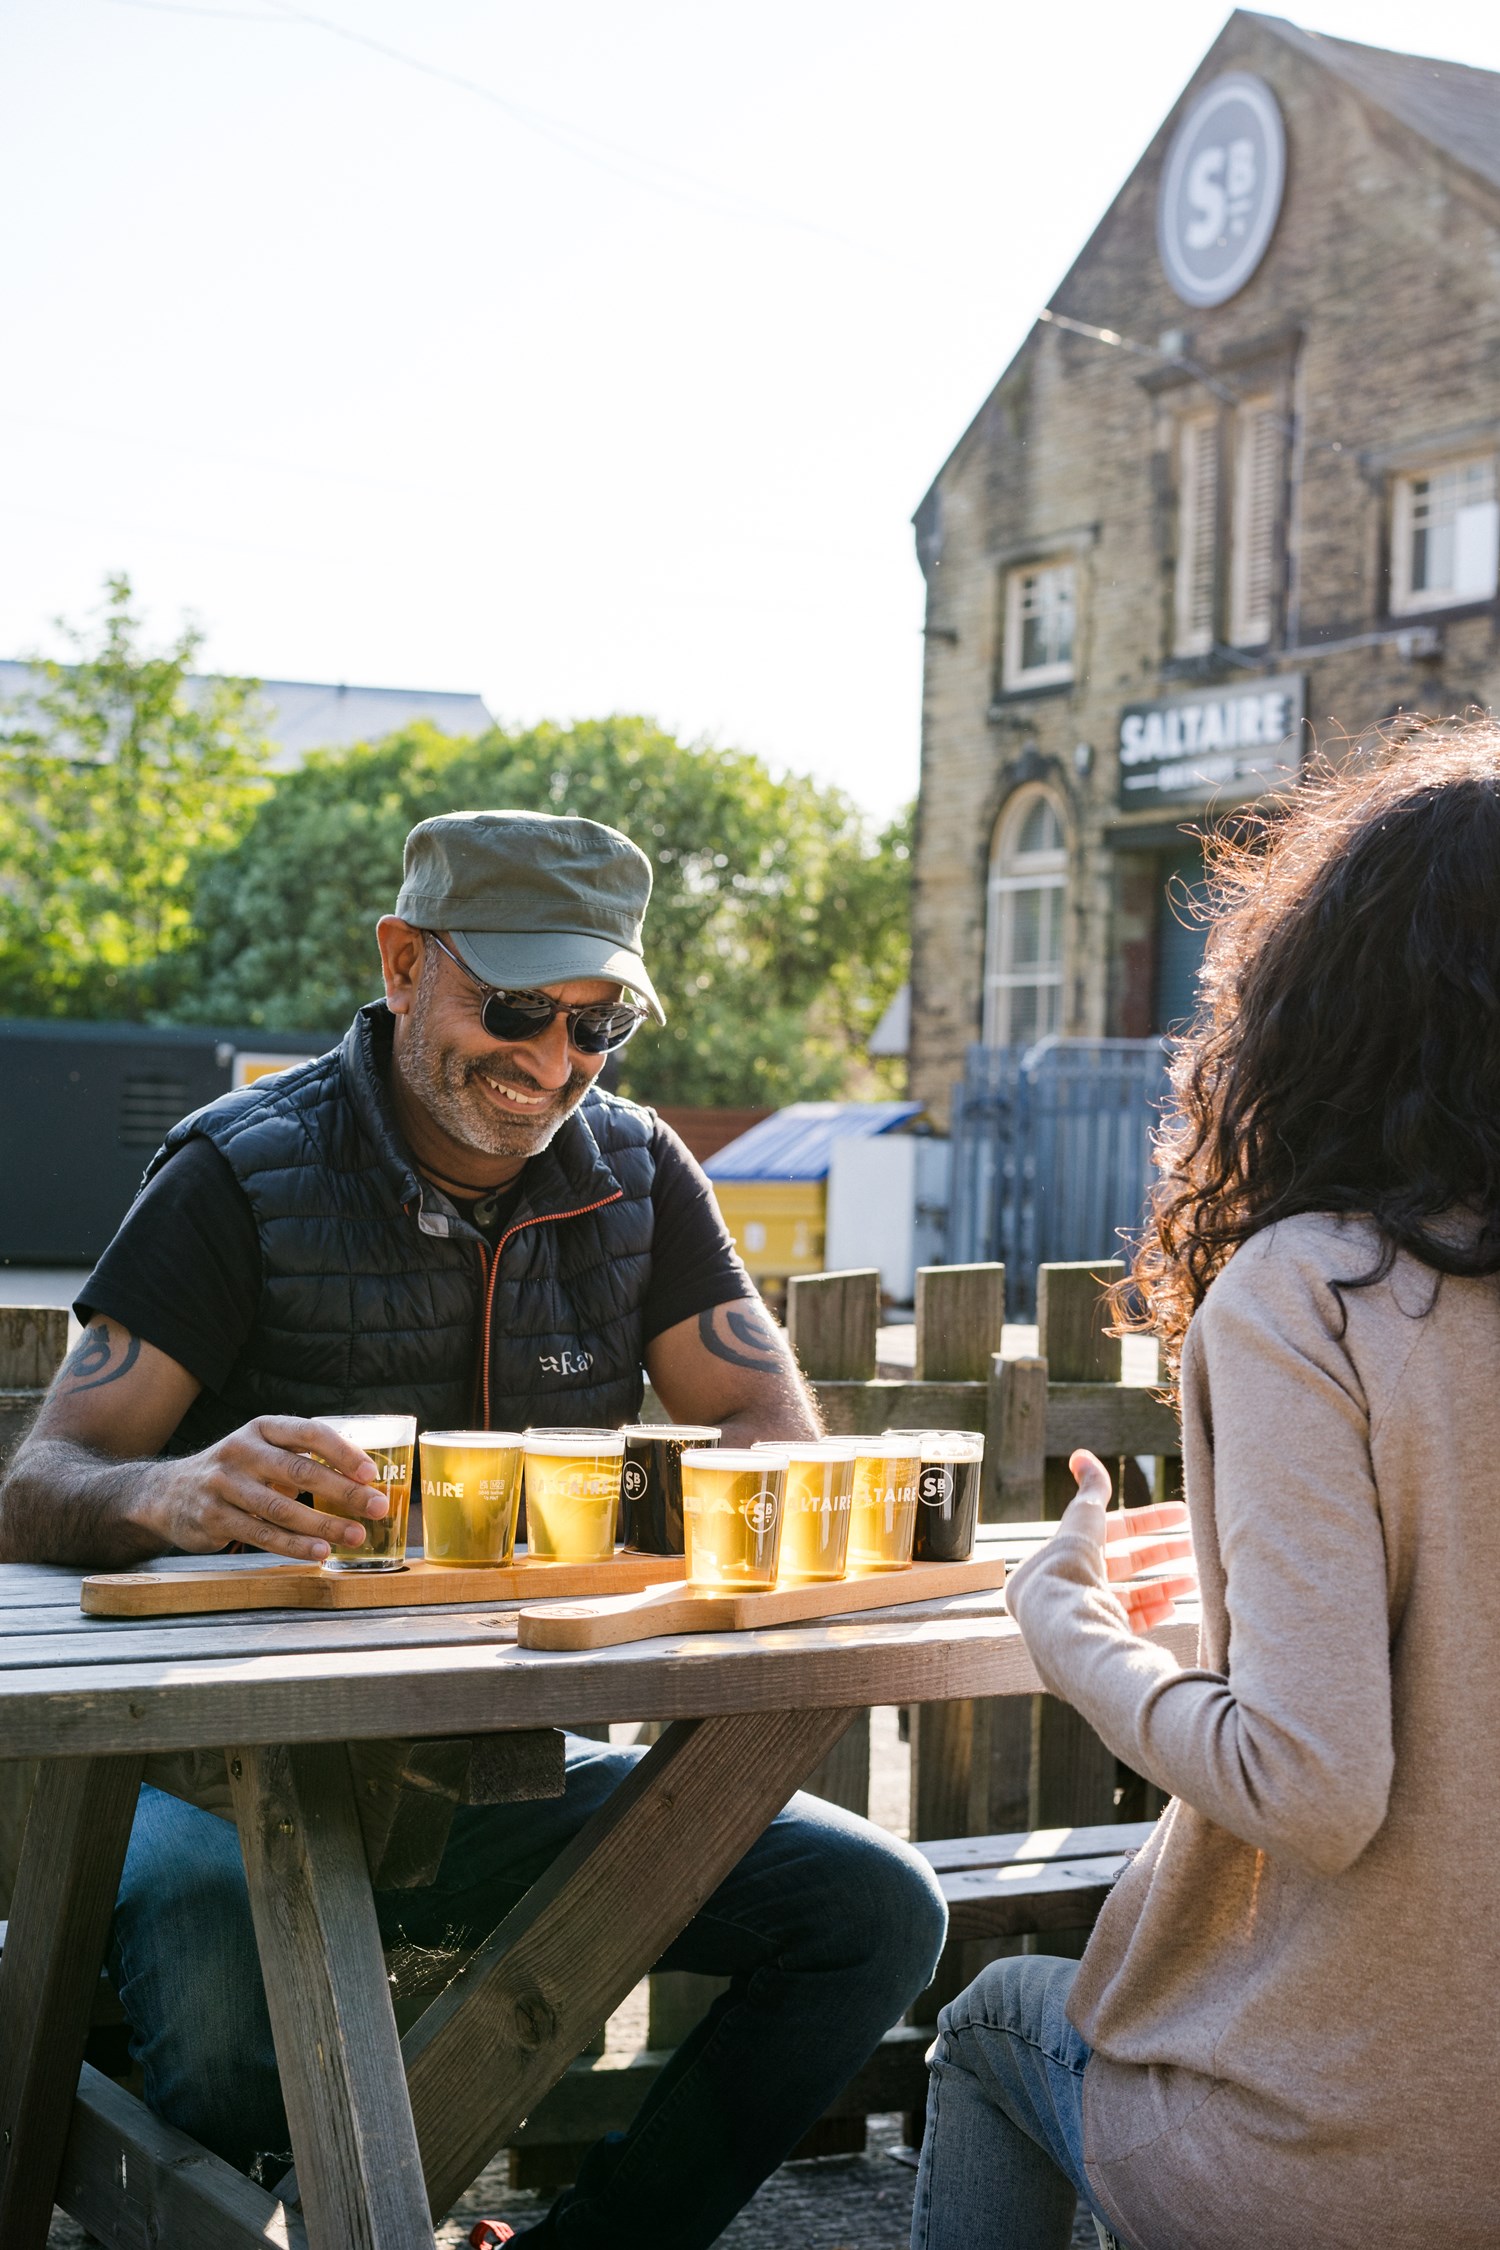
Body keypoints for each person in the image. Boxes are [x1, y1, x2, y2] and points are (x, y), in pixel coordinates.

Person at [0, 809, 947, 2242]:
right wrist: (172, 1490)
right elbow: (38, 1481)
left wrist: (641, 1511)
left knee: (878, 1912)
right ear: (400, 963)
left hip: (501, 1770)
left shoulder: (633, 1171)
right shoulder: (236, 1170)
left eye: (598, 1021)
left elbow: (774, 1443)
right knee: (250, 2060)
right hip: (214, 1779)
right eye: (515, 1006)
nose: (553, 1060)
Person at [911, 731, 1500, 2250]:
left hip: (1357, 2160)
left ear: (1327, 1003)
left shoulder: (1311, 1293)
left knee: (990, 2029)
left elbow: (1312, 1784)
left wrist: (1074, 1629)